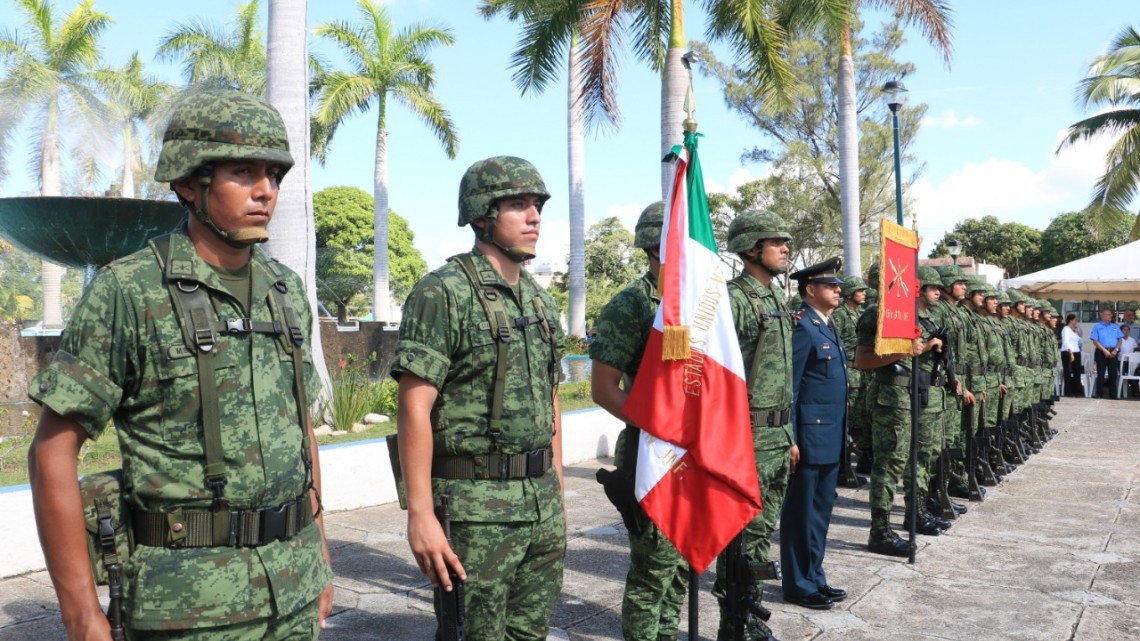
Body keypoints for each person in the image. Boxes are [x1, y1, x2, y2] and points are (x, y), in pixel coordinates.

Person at [26, 89, 334, 640]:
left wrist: (320, 557)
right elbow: (52, 451)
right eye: (244, 172)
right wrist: (81, 613)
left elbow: (300, 428)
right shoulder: (130, 291)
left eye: (274, 174)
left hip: (294, 587)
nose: (266, 190)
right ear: (190, 183)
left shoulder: (284, 290)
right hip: (188, 608)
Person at [393, 156, 566, 641]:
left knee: (529, 633)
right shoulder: (443, 292)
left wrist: (556, 490)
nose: (533, 216)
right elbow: (414, 407)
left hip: (541, 503)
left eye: (537, 205)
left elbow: (550, 397)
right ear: (482, 215)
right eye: (517, 205)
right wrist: (420, 514)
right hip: (475, 510)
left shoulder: (538, 298)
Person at [589, 202, 689, 641]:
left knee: (683, 565)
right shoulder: (630, 305)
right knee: (654, 569)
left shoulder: (701, 302)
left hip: (695, 450)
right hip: (654, 452)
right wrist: (661, 426)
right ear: (655, 246)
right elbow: (603, 388)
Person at [715, 209, 797, 641]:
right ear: (751, 248)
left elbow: (783, 377)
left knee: (763, 531)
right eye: (776, 241)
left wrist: (789, 435)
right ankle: (733, 619)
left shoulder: (776, 299)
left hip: (777, 436)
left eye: (786, 241)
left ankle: (751, 609)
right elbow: (716, 376)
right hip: (745, 436)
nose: (785, 248)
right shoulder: (732, 299)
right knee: (739, 535)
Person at [854, 266, 948, 556]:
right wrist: (906, 350)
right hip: (893, 398)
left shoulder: (921, 316)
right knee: (889, 464)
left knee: (921, 456)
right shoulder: (877, 313)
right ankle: (880, 531)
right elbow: (862, 359)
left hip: (920, 395)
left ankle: (915, 512)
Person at [781, 257, 848, 610]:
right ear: (810, 289)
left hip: (831, 435)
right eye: (830, 285)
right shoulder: (802, 327)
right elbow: (790, 389)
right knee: (800, 513)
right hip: (808, 437)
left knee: (820, 511)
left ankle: (814, 575)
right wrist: (790, 437)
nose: (838, 290)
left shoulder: (827, 325)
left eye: (837, 285)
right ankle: (797, 583)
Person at [833, 274, 869, 486]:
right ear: (849, 294)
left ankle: (849, 467)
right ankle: (841, 469)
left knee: (856, 424)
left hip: (859, 375)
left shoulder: (858, 314)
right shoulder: (840, 315)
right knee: (845, 423)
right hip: (847, 374)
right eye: (859, 290)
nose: (864, 293)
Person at [1089, 307, 1124, 399]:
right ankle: (1099, 393)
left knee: (1113, 373)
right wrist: (1104, 351)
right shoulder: (1097, 327)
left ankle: (1113, 394)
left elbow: (1120, 340)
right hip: (1101, 351)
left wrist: (1116, 350)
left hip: (1113, 351)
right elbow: (1095, 341)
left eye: (1111, 314)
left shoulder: (1115, 326)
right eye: (1108, 314)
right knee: (1101, 373)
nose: (1110, 316)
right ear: (1103, 316)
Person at [1060, 314, 1082, 397]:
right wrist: (1071, 353)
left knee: (1077, 372)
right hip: (1068, 351)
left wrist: (1077, 333)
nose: (1076, 322)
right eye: (1075, 320)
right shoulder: (1066, 329)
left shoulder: (1074, 330)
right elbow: (1066, 342)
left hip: (1077, 351)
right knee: (1068, 372)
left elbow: (1080, 342)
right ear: (1071, 320)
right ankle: (1068, 392)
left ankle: (1077, 391)